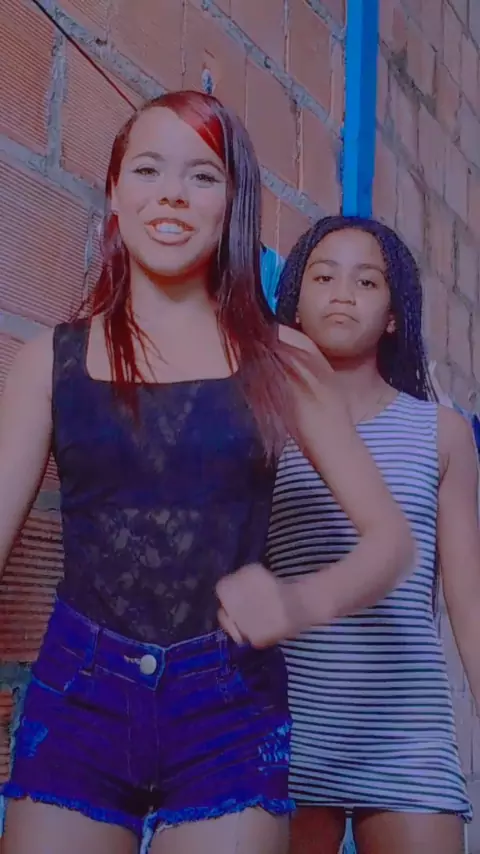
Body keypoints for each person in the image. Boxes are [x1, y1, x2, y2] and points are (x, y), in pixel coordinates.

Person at [0, 98, 412, 854]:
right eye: (147, 170)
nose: (171, 195)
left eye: (202, 175)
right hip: (79, 697)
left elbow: (391, 540)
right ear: (115, 192)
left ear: (233, 202)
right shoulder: (48, 362)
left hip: (230, 703)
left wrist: (297, 602)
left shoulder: (284, 359)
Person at [267, 215, 480, 854]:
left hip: (407, 731)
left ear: (392, 315)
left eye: (366, 281)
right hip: (287, 724)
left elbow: (468, 602)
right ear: (295, 303)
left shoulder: (440, 435)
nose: (342, 294)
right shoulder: (261, 426)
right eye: (323, 277)